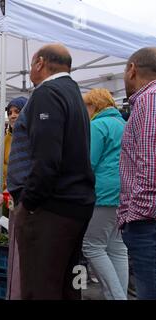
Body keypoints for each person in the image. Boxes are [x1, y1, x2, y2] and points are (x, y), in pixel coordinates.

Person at [6, 44, 95, 299]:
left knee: (40, 286)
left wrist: (28, 204)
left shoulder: (47, 92)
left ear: (39, 63)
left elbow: (47, 160)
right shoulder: (73, 93)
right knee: (68, 285)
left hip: (50, 209)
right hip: (74, 205)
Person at [81, 89, 128, 300]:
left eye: (86, 107)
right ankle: (120, 295)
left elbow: (88, 163)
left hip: (102, 192)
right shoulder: (123, 124)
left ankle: (116, 297)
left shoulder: (97, 125)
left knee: (92, 246)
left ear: (94, 105)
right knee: (117, 248)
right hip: (123, 192)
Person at [118, 47, 156, 300]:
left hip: (148, 224)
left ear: (132, 69)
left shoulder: (149, 99)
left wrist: (135, 216)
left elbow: (150, 167)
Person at [0, 96, 27, 300]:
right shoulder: (6, 137)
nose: (13, 115)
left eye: (17, 111)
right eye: (10, 112)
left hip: (25, 201)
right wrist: (1, 193)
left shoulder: (29, 136)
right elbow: (0, 166)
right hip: (10, 196)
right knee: (14, 248)